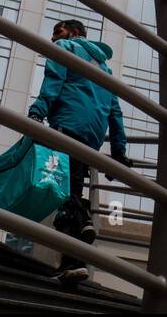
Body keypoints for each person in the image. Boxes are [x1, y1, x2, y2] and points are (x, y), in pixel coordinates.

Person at [27, 18, 130, 284]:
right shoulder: (104, 69)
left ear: (73, 33)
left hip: (68, 125)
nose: (53, 38)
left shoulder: (66, 47)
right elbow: (115, 112)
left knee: (63, 193)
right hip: (91, 137)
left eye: (57, 31)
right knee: (71, 188)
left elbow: (54, 79)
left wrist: (38, 113)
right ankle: (74, 262)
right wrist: (118, 151)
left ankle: (81, 220)